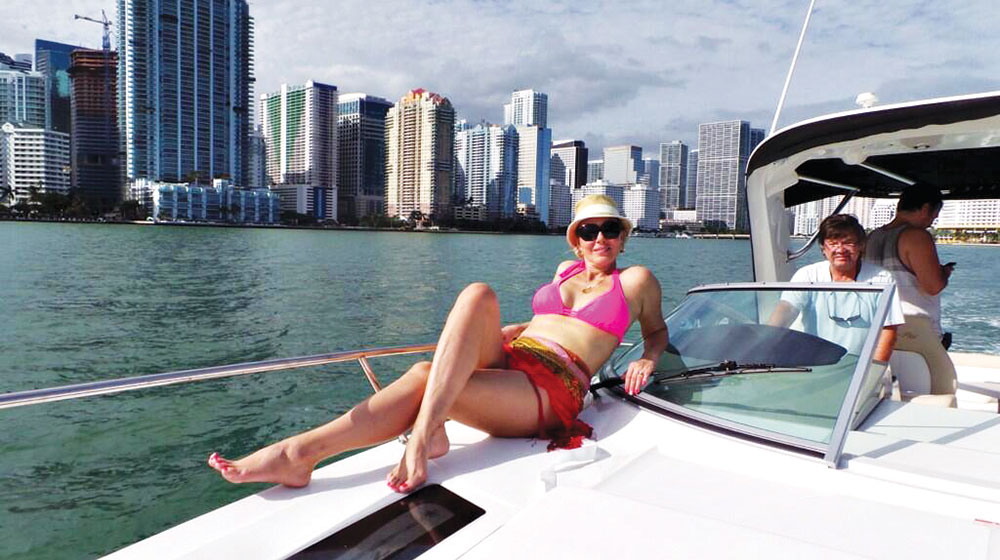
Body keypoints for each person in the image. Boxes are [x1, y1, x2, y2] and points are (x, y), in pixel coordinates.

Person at [208, 194, 669, 493]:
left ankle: (308, 452)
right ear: (576, 242)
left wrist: (648, 358)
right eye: (588, 231)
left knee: (423, 375)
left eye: (610, 229)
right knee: (477, 293)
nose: (600, 238)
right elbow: (549, 321)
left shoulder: (635, 280)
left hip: (554, 388)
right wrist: (517, 329)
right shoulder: (564, 272)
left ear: (623, 237)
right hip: (517, 357)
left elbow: (656, 332)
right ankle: (426, 431)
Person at [769, 214, 903, 362]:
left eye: (848, 243)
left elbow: (888, 330)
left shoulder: (882, 279)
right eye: (833, 243)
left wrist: (874, 369)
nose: (840, 249)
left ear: (861, 245)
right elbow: (786, 309)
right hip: (812, 364)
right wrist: (767, 340)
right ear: (823, 248)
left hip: (859, 366)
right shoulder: (807, 275)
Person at [864, 183, 957, 395]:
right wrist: (944, 273)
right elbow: (933, 286)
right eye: (934, 214)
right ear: (925, 208)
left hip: (879, 327)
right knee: (936, 391)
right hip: (915, 331)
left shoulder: (873, 236)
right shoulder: (917, 236)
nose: (933, 220)